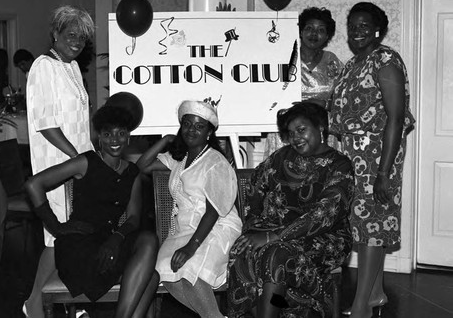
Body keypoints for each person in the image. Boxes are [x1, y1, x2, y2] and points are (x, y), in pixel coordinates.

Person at [25, 104, 159, 318]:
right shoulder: (86, 162)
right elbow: (33, 185)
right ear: (99, 138)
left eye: (121, 134)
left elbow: (133, 218)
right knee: (149, 277)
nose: (114, 140)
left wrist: (116, 238)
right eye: (108, 134)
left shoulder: (132, 172)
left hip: (108, 243)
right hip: (78, 249)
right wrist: (57, 228)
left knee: (150, 254)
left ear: (128, 138)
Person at [227, 102, 354, 318]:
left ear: (320, 128)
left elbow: (324, 214)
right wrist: (252, 224)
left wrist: (273, 236)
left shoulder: (339, 165)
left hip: (326, 237)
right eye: (291, 132)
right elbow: (256, 185)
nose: (295, 137)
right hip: (276, 231)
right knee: (245, 251)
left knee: (275, 254)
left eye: (302, 130)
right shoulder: (281, 157)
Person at [330, 2, 415, 318]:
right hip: (354, 160)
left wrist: (384, 172)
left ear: (378, 29)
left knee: (370, 230)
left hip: (379, 159)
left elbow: (396, 118)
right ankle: (376, 293)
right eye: (352, 25)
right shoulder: (352, 65)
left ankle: (363, 304)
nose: (356, 30)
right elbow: (338, 115)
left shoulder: (386, 60)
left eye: (364, 25)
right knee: (365, 226)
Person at [137, 99, 242, 318]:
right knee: (164, 270)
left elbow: (213, 212)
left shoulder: (215, 161)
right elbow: (142, 165)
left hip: (216, 227)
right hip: (183, 230)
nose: (191, 130)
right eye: (187, 124)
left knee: (191, 270)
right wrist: (166, 140)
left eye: (199, 126)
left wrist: (191, 248)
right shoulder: (180, 159)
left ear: (209, 132)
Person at [24, 5, 95, 317]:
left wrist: (91, 156)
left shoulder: (73, 67)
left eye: (82, 37)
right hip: (56, 164)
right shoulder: (43, 67)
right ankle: (33, 304)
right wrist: (76, 158)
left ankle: (66, 303)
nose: (76, 41)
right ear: (55, 34)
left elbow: (80, 121)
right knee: (59, 237)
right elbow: (46, 124)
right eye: (70, 34)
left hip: (78, 163)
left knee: (74, 235)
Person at [265, 7, 344, 157]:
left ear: (327, 35)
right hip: (288, 134)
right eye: (309, 28)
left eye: (321, 30)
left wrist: (325, 105)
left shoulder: (332, 61)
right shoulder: (283, 57)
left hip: (320, 132)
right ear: (300, 31)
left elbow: (344, 100)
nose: (314, 34)